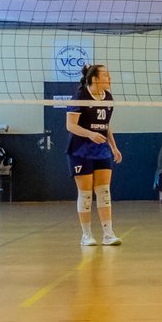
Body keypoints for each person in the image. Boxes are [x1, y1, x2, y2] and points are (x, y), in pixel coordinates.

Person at [65, 63, 122, 246]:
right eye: (105, 75)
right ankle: (86, 235)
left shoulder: (108, 98)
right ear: (95, 79)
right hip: (80, 150)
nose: (109, 78)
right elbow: (70, 126)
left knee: (104, 192)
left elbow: (106, 126)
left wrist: (113, 147)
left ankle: (108, 234)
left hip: (101, 150)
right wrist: (90, 134)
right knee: (86, 193)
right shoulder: (80, 96)